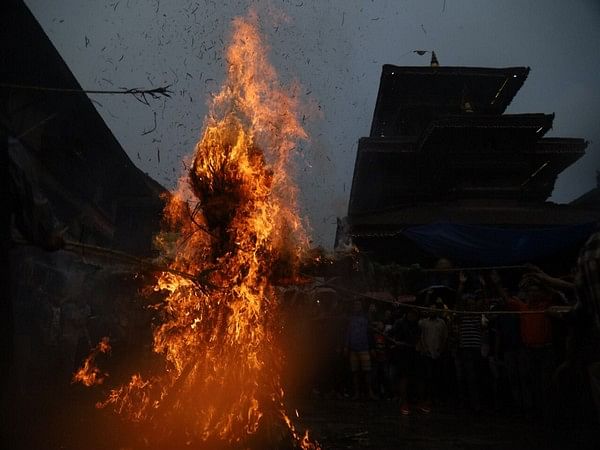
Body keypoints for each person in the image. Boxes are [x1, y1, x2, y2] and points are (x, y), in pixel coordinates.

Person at [416, 300, 448, 413]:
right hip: (427, 353)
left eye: (434, 309)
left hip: (438, 353)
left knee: (438, 376)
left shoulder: (441, 323)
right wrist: (424, 348)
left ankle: (437, 398)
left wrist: (441, 349)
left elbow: (444, 337)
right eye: (430, 309)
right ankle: (428, 398)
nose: (432, 311)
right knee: (428, 377)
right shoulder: (424, 323)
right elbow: (421, 336)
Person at [344, 299, 376, 400]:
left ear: (361, 306)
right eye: (355, 304)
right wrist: (346, 346)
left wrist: (371, 347)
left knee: (367, 371)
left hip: (364, 347)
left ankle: (369, 392)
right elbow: (347, 333)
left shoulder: (366, 317)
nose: (357, 306)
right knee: (355, 372)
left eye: (358, 304)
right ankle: (357, 393)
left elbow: (370, 333)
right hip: (353, 348)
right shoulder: (350, 318)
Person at [391, 309, 420, 415]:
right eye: (410, 313)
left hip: (411, 354)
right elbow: (391, 334)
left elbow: (415, 341)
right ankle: (403, 401)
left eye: (414, 314)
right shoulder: (400, 323)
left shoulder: (416, 326)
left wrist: (403, 343)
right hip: (401, 355)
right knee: (402, 378)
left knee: (410, 378)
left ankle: (409, 400)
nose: (412, 315)